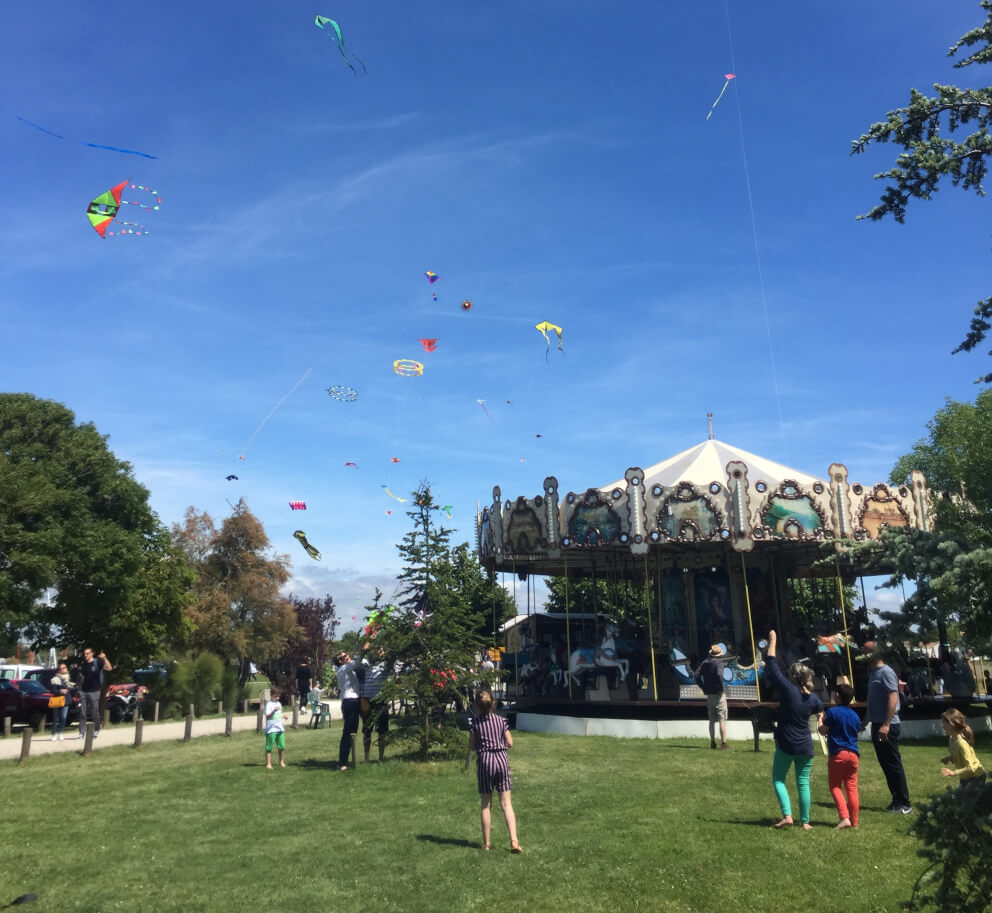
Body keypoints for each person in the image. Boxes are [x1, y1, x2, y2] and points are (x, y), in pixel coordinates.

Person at [764, 630, 823, 830]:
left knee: (778, 779)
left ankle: (788, 815)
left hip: (787, 743)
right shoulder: (813, 698)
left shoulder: (789, 692)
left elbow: (771, 665)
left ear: (792, 676)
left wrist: (773, 640)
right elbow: (820, 708)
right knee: (803, 783)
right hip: (805, 746)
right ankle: (805, 821)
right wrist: (821, 718)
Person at [468, 689, 522, 853]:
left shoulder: (475, 723)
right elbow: (510, 743)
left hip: (485, 762)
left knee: (486, 805)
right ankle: (514, 841)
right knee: (506, 804)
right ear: (493, 703)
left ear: (477, 706)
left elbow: (471, 746)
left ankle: (486, 844)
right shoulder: (501, 720)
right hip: (501, 760)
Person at [864, 644, 912, 814]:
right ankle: (896, 799)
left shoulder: (886, 672)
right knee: (885, 764)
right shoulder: (873, 674)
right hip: (877, 723)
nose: (864, 655)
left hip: (888, 725)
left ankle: (905, 803)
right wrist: (866, 721)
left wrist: (886, 724)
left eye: (866, 652)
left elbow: (893, 698)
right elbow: (874, 700)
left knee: (893, 763)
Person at [818, 683, 861, 829]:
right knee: (852, 788)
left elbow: (822, 731)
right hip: (853, 754)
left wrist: (820, 718)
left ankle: (844, 817)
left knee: (835, 786)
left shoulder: (833, 712)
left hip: (838, 754)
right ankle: (854, 822)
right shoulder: (855, 716)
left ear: (837, 695)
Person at [335, 649, 367, 770]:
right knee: (348, 733)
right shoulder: (344, 669)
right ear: (340, 661)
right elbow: (358, 661)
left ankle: (348, 760)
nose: (347, 657)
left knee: (351, 732)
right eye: (344, 657)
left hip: (350, 701)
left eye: (347, 655)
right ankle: (342, 762)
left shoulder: (345, 671)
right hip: (351, 701)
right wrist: (365, 646)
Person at [693, 644, 728, 750]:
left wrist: (703, 687)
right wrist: (721, 688)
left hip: (709, 694)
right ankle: (724, 744)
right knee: (722, 719)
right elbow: (719, 675)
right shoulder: (719, 663)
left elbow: (696, 675)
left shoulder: (705, 662)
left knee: (712, 720)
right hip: (718, 694)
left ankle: (712, 742)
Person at [939, 708, 986, 785]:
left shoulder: (961, 743)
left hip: (976, 777)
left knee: (968, 797)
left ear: (952, 725)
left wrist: (954, 772)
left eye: (944, 724)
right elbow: (958, 755)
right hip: (965, 778)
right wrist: (950, 758)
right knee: (962, 796)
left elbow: (971, 767)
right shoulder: (951, 739)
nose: (942, 727)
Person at [77, 647, 112, 739]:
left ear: (92, 653)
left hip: (94, 691)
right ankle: (82, 732)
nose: (85, 655)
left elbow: (109, 668)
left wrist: (104, 658)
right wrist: (79, 689)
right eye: (84, 653)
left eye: (87, 653)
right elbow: (82, 677)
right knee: (82, 712)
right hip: (83, 691)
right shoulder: (84, 664)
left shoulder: (98, 662)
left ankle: (96, 729)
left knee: (94, 712)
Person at [361, 658, 389, 762]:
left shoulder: (387, 663)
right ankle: (366, 758)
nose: (378, 651)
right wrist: (369, 641)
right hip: (367, 700)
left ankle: (381, 757)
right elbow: (362, 650)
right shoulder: (366, 661)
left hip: (381, 699)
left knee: (382, 731)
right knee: (367, 730)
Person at [49, 662, 75, 741]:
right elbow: (52, 690)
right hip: (57, 700)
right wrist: (60, 691)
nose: (65, 669)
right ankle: (53, 734)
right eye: (63, 668)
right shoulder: (55, 679)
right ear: (59, 671)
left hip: (65, 701)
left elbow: (70, 689)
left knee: (63, 718)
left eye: (65, 667)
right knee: (56, 718)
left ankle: (60, 733)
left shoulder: (67, 679)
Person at [264, 690, 287, 769]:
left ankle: (281, 761)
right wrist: (273, 710)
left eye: (278, 696)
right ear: (271, 696)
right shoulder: (269, 705)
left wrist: (283, 716)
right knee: (269, 747)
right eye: (275, 696)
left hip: (280, 728)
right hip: (271, 729)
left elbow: (279, 713)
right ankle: (268, 763)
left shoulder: (279, 704)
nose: (277, 698)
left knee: (282, 746)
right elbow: (267, 716)